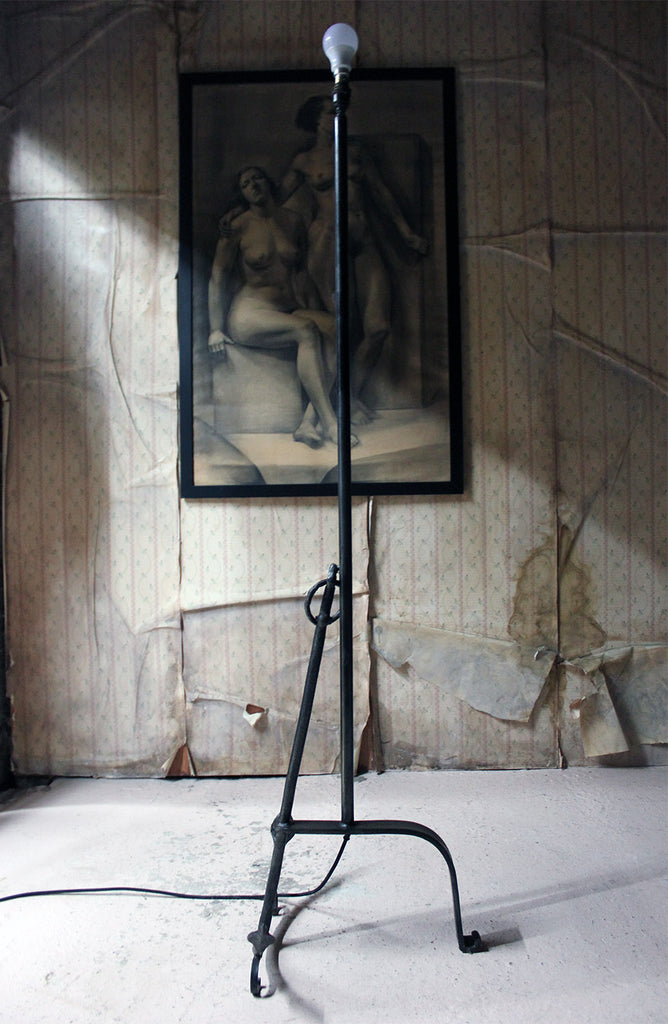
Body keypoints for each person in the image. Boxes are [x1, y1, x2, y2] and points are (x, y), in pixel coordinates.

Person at [282, 95, 428, 420]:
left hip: (364, 240)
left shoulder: (356, 152)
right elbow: (275, 199)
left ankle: (346, 396)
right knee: (338, 328)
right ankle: (335, 408)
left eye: (339, 110)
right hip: (325, 241)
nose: (337, 115)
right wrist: (237, 216)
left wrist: (406, 233)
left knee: (378, 327)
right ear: (316, 120)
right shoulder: (304, 160)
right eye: (330, 111)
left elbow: (381, 193)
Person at [208, 165, 350, 449]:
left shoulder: (292, 221)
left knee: (336, 329)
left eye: (257, 178)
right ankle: (332, 425)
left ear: (269, 181)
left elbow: (302, 274)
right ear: (242, 194)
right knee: (306, 330)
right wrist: (215, 329)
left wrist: (319, 309)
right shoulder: (236, 227)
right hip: (250, 313)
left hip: (287, 308)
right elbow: (217, 278)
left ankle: (308, 423)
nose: (253, 185)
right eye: (246, 184)